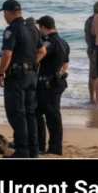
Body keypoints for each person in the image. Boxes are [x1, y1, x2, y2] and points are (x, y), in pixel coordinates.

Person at [0, 0, 46, 158]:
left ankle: (22, 150)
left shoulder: (11, 30)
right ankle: (33, 150)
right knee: (30, 112)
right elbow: (42, 51)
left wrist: (0, 73)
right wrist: (31, 64)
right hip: (32, 76)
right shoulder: (33, 28)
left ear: (7, 12)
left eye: (4, 13)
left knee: (16, 112)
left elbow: (7, 54)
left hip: (16, 77)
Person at [35, 16, 69, 155]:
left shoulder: (48, 42)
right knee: (49, 114)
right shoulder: (63, 42)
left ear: (43, 27)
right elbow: (65, 64)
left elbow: (39, 55)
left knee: (47, 115)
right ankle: (46, 146)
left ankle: (50, 147)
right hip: (57, 81)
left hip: (47, 83)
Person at [84, 1, 98, 105]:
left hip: (90, 49)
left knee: (92, 75)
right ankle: (95, 99)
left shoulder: (88, 20)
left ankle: (92, 98)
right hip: (96, 50)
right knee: (97, 76)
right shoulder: (97, 20)